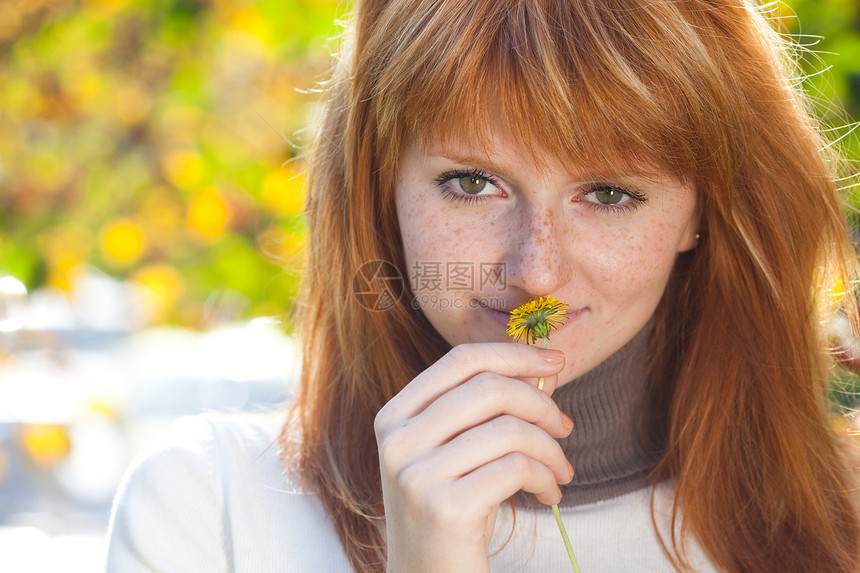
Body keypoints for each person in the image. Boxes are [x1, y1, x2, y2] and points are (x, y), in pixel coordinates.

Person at [105, 0, 860, 571]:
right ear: (381, 187)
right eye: (471, 183)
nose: (535, 270)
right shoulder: (210, 508)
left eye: (608, 194)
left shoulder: (842, 515)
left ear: (702, 210)